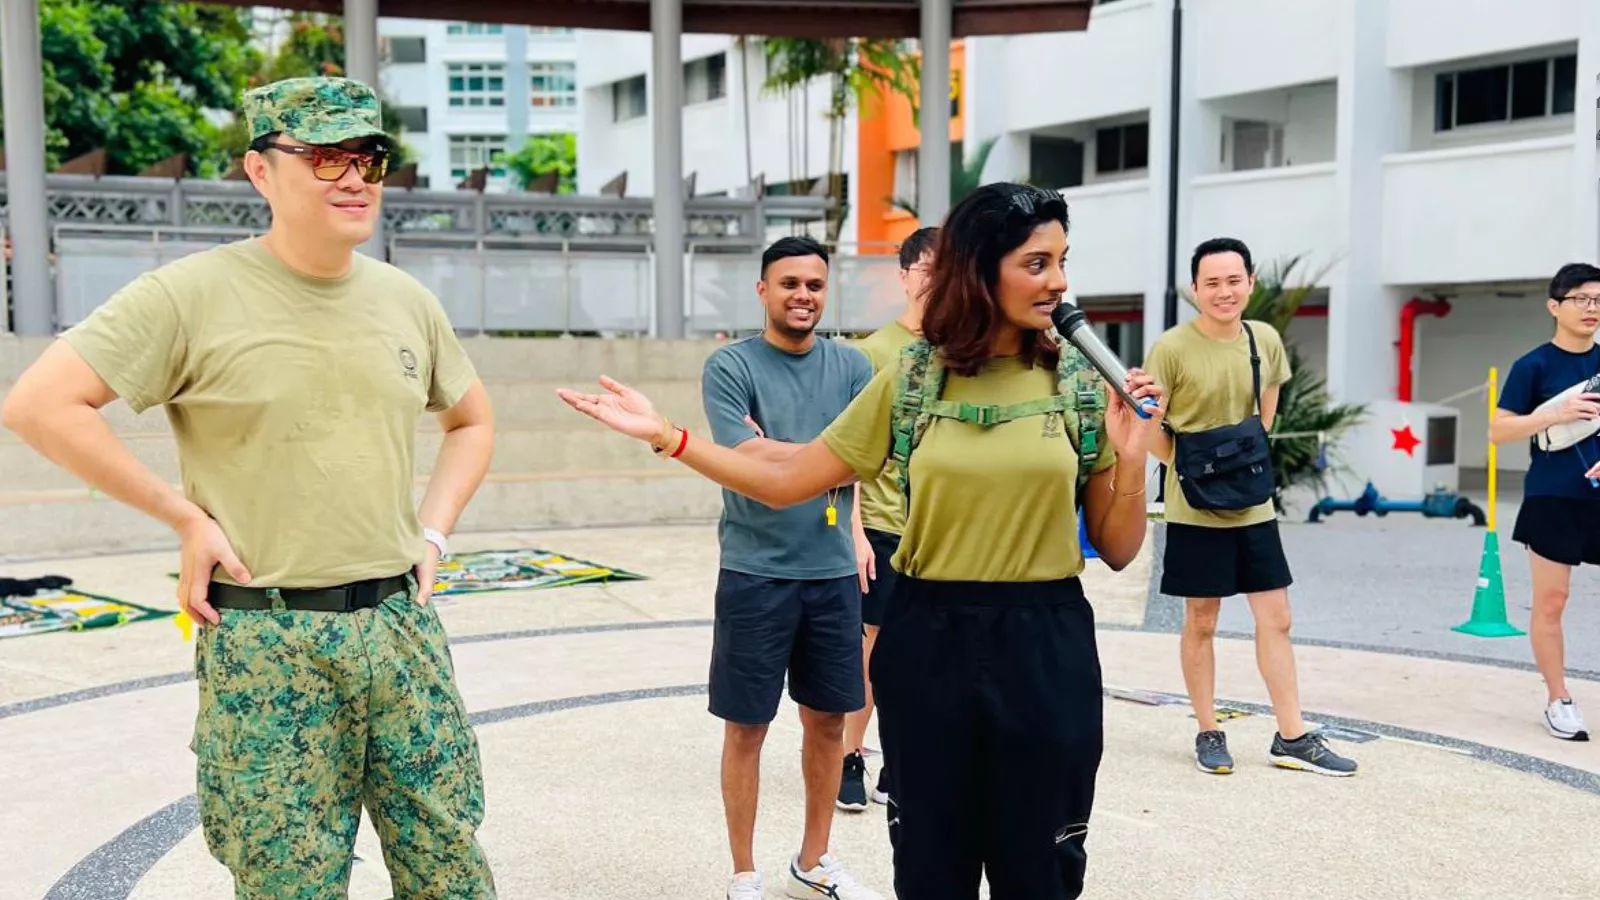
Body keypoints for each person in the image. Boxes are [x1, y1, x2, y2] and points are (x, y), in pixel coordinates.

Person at [558, 182, 1164, 900]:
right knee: (931, 866)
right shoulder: (910, 376)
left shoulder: (1081, 383)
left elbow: (1119, 547)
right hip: (929, 637)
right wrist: (668, 437)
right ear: (981, 268)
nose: (1059, 282)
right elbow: (788, 479)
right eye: (1037, 263)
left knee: (1041, 868)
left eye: (1063, 261)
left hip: (1045, 642)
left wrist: (1131, 456)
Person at [1, 76, 499, 898]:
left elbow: (472, 422)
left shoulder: (407, 301)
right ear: (261, 172)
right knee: (287, 885)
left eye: (368, 159)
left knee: (451, 874)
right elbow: (40, 404)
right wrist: (182, 516)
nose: (353, 178)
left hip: (401, 632)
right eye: (326, 156)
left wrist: (434, 532)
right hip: (271, 641)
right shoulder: (189, 296)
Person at [698, 235, 881, 900]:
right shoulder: (730, 366)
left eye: (813, 284)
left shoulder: (855, 367)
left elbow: (864, 457)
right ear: (763, 291)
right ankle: (744, 871)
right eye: (789, 284)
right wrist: (823, 452)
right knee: (746, 724)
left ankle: (815, 858)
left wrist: (785, 454)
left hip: (829, 572)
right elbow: (743, 458)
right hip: (755, 571)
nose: (803, 295)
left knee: (829, 721)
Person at [1143, 237, 1358, 778]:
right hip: (1194, 506)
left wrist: (1237, 469)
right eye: (1211, 282)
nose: (1224, 291)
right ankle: (1208, 729)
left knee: (1277, 618)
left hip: (1253, 504)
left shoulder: (1264, 340)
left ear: (1250, 283)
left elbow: (1265, 420)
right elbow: (1149, 427)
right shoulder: (1171, 348)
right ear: (1195, 290)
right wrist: (1191, 470)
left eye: (1233, 280)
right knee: (1202, 620)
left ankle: (1292, 736)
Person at [836, 225, 938, 813]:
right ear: (903, 277)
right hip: (881, 524)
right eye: (924, 268)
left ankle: (904, 759)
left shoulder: (965, 354)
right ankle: (853, 754)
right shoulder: (872, 352)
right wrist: (852, 533)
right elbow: (845, 454)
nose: (936, 279)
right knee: (872, 650)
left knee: (927, 653)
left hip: (943, 531)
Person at [1490, 262, 1600, 742]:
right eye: (1581, 299)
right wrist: (1552, 414)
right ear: (1555, 306)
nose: (1591, 308)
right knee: (1552, 600)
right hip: (1553, 496)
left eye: (1598, 300)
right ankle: (1559, 699)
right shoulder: (1532, 366)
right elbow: (1498, 430)